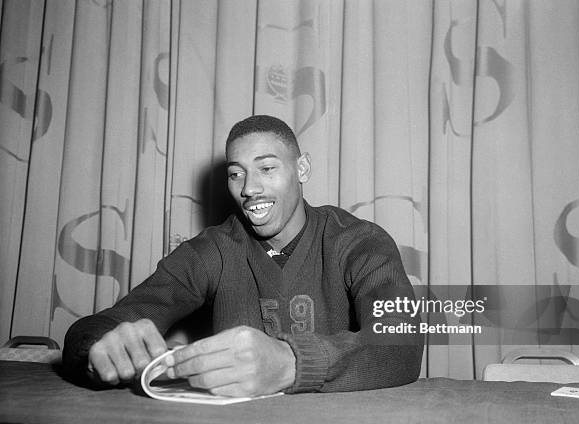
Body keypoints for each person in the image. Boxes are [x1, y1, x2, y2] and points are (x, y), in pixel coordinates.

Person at [63, 115, 423, 396]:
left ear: (302, 170)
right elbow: (109, 323)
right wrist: (97, 349)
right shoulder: (213, 249)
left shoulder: (359, 241)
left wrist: (290, 364)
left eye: (267, 169)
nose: (249, 189)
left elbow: (401, 341)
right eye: (237, 174)